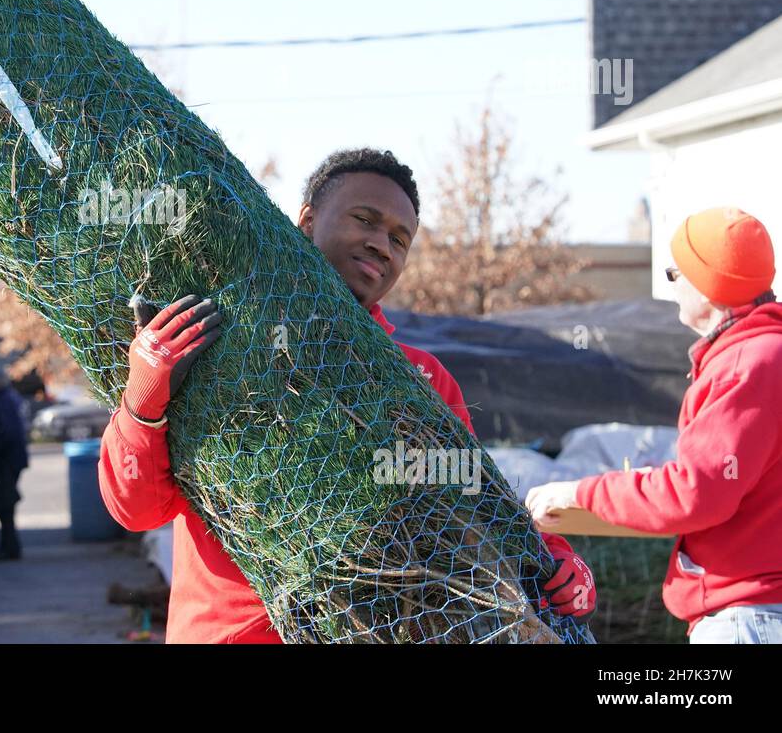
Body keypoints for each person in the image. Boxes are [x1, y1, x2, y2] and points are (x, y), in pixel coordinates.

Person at [99, 148, 594, 643]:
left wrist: (550, 557)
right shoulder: (221, 343)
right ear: (307, 220)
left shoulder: (423, 378)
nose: (382, 245)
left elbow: (470, 500)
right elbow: (138, 511)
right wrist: (141, 401)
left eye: (399, 239)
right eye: (365, 220)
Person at [529, 206, 782, 644]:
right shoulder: (766, 354)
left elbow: (695, 493)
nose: (672, 287)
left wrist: (579, 493)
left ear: (707, 285)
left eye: (675, 273)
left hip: (749, 616)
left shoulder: (745, 365)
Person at [0, 363, 30, 562]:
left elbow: (7, 433)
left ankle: (9, 548)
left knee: (5, 506)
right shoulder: (11, 397)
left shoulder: (2, 401)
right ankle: (9, 547)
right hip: (14, 458)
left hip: (6, 459)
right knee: (6, 505)